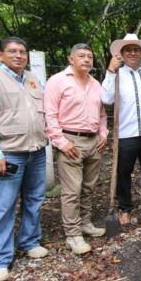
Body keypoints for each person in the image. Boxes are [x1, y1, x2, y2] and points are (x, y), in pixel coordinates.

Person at [0, 36, 48, 281]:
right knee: (3, 205)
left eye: (22, 52)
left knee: (34, 199)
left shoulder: (31, 79)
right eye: (12, 51)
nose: (18, 56)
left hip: (36, 150)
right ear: (0, 55)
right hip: (9, 152)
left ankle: (29, 241)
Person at [44, 44, 108, 255]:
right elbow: (50, 115)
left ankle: (85, 223)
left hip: (93, 141)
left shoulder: (96, 84)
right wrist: (61, 142)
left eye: (90, 56)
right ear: (71, 59)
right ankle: (72, 234)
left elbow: (101, 114)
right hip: (70, 140)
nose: (86, 59)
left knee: (89, 186)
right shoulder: (58, 81)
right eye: (81, 56)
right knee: (72, 190)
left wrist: (103, 133)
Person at [101, 34, 141, 225]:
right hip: (126, 133)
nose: (132, 53)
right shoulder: (116, 75)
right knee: (123, 172)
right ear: (122, 54)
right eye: (128, 50)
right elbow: (106, 99)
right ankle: (124, 207)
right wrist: (110, 70)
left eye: (135, 49)